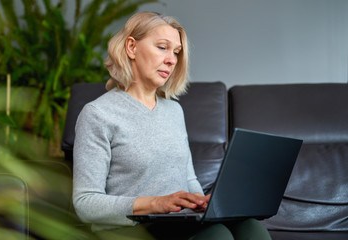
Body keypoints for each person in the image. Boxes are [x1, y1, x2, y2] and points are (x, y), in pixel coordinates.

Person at [73, 11, 271, 240]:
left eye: (176, 52)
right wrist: (156, 203)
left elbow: (188, 179)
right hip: (127, 230)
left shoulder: (174, 111)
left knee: (252, 229)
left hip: (175, 222)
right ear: (131, 48)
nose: (172, 59)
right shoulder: (98, 114)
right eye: (162, 47)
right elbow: (85, 204)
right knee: (217, 236)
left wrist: (201, 203)